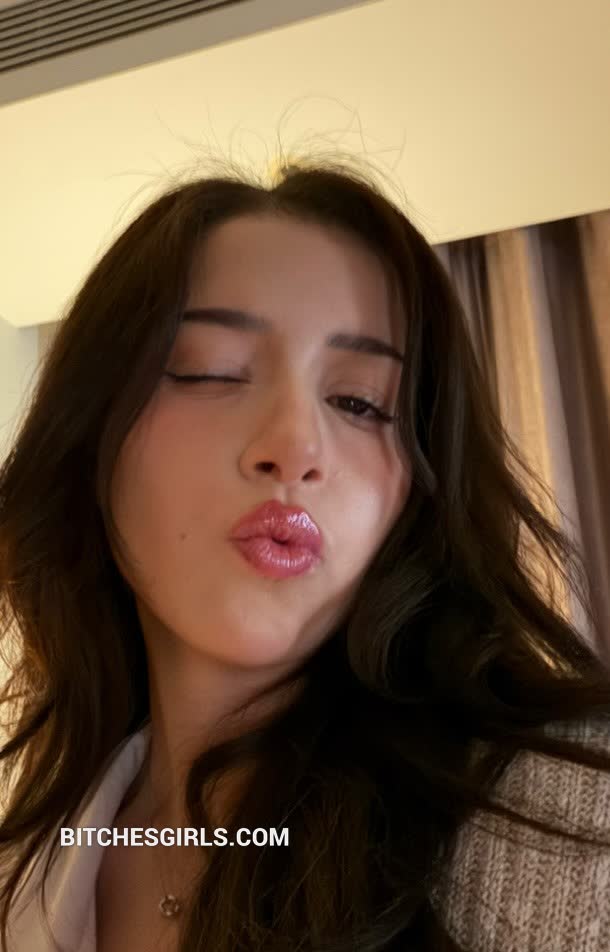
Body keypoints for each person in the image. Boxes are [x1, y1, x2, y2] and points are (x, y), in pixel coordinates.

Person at [1, 155, 610, 952]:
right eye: (211, 373)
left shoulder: (573, 815)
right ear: (91, 438)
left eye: (361, 402)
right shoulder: (26, 869)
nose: (296, 447)